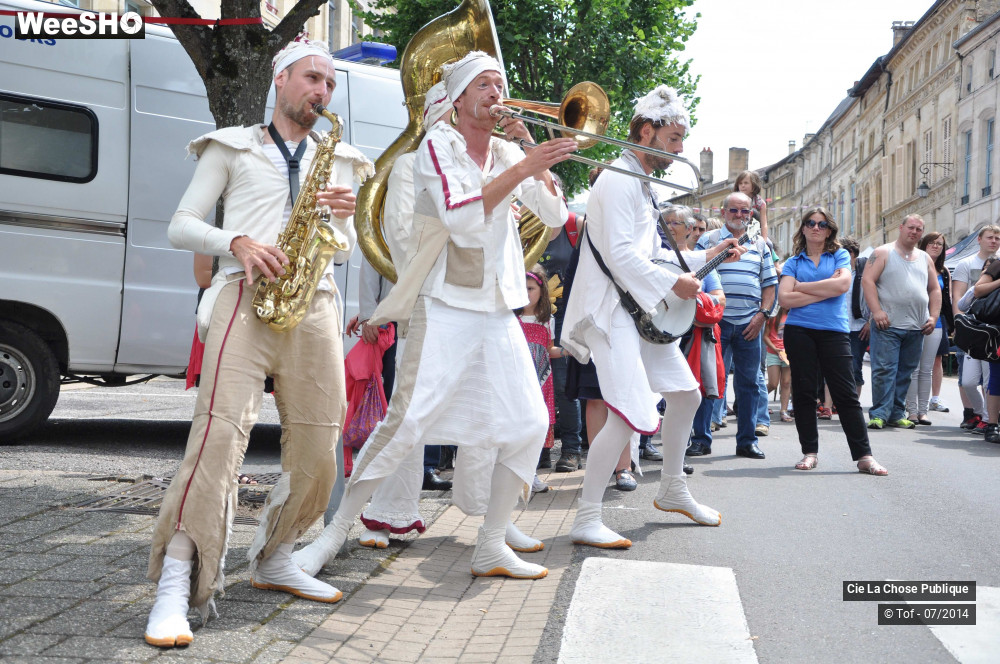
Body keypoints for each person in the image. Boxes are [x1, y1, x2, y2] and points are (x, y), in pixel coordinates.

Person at [291, 51, 575, 581]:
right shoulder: (436, 146)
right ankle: (331, 537)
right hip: (443, 303)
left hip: (497, 306)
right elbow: (460, 218)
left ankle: (490, 544)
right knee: (405, 423)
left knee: (531, 423)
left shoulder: (509, 150)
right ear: (459, 99)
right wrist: (521, 168)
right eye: (484, 85)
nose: (496, 93)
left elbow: (557, 215)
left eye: (499, 84)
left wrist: (534, 157)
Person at [144, 40, 373, 648]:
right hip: (242, 295)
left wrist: (343, 218)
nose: (322, 91)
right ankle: (178, 581)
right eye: (312, 78)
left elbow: (343, 248)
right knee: (218, 436)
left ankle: (276, 556)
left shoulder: (341, 157)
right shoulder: (231, 146)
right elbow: (180, 225)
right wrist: (237, 242)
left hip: (313, 302)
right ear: (280, 79)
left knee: (322, 445)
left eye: (330, 83)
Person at [561, 85, 744, 548]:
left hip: (634, 310)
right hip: (610, 312)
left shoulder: (638, 181)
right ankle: (586, 518)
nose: (679, 150)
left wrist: (708, 254)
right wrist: (671, 285)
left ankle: (672, 489)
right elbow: (620, 254)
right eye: (673, 139)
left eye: (682, 140)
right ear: (646, 131)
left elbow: (652, 255)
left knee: (686, 395)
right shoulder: (620, 179)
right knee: (627, 412)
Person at [778, 207, 887, 475]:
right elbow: (784, 299)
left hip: (834, 331)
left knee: (845, 393)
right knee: (804, 393)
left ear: (829, 230)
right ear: (803, 228)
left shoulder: (840, 255)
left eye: (822, 224)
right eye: (811, 223)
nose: (816, 227)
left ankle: (864, 456)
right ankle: (810, 452)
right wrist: (825, 289)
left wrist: (801, 287)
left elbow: (841, 286)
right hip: (799, 330)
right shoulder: (793, 262)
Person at [696, 191, 777, 459]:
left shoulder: (760, 244)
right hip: (714, 324)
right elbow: (695, 277)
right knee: (708, 382)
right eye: (734, 210)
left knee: (749, 384)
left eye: (745, 211)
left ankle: (747, 441)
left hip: (750, 323)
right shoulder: (708, 241)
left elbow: (770, 285)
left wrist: (762, 316)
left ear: (751, 214)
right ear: (723, 212)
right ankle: (700, 439)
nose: (740, 215)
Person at [656, 204, 726, 460]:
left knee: (697, 389)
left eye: (674, 223)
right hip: (660, 328)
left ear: (688, 229)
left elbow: (720, 298)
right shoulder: (656, 256)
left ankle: (698, 439)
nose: (669, 228)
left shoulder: (703, 261)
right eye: (665, 223)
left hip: (693, 331)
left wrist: (693, 300)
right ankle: (647, 443)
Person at [862, 214, 941, 430]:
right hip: (887, 325)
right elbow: (867, 281)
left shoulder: (925, 258)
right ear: (901, 227)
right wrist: (877, 311)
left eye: (918, 229)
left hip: (916, 327)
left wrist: (933, 316)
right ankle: (879, 414)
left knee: (906, 372)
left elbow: (934, 289)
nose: (914, 232)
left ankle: (897, 414)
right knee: (884, 371)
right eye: (911, 227)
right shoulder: (883, 252)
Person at [516, 264, 562, 493]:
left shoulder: (546, 319)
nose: (526, 293)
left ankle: (530, 474)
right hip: (516, 381)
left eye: (531, 288)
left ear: (541, 290)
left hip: (541, 381)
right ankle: (514, 475)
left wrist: (568, 351)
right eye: (522, 288)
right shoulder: (511, 319)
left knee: (536, 427)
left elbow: (549, 348)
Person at [951, 225, 1000, 432]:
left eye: (997, 238)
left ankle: (988, 419)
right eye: (990, 237)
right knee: (970, 380)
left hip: (992, 330)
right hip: (976, 329)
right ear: (979, 239)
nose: (994, 241)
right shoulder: (968, 263)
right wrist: (960, 326)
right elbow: (959, 299)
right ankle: (980, 415)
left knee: (990, 379)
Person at [905, 232, 953, 425]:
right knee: (913, 368)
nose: (936, 246)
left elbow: (947, 301)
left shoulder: (944, 271)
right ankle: (912, 411)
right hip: (912, 321)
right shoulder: (912, 264)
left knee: (927, 368)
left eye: (940, 244)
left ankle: (923, 411)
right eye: (932, 243)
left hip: (936, 323)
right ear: (923, 245)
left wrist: (953, 325)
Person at [970, 258, 1000, 443]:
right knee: (997, 378)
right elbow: (978, 290)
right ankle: (992, 425)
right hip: (998, 332)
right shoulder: (998, 265)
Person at [840, 237, 868, 398]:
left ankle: (854, 402)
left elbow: (877, 297)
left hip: (859, 327)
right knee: (838, 366)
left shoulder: (865, 271)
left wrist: (870, 322)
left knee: (855, 366)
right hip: (838, 326)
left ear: (851, 253)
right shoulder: (838, 272)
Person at [764, 306, 792, 422]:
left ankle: (783, 411)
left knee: (786, 382)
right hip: (773, 353)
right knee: (773, 383)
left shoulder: (793, 316)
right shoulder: (773, 316)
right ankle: (758, 401)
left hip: (788, 353)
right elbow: (765, 336)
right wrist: (775, 349)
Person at [734, 170, 768, 240]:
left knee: (770, 244)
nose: (743, 185)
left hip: (756, 232)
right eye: (740, 183)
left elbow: (764, 224)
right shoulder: (734, 201)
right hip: (738, 232)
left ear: (753, 186)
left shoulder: (760, 203)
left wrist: (764, 240)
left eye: (746, 183)